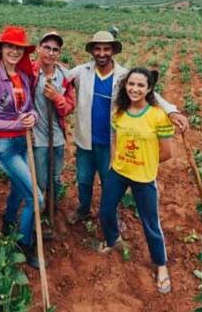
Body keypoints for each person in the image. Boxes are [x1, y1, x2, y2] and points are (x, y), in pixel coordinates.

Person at [67, 31, 188, 224]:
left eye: (106, 49)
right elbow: (59, 78)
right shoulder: (81, 72)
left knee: (110, 183)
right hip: (85, 139)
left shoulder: (124, 76)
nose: (102, 53)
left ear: (113, 51)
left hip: (113, 142)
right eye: (97, 49)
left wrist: (171, 111)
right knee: (83, 180)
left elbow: (151, 95)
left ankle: (111, 217)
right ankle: (83, 209)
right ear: (92, 51)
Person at [0, 25, 42, 268]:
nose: (14, 51)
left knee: (17, 190)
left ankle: (8, 223)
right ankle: (23, 244)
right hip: (5, 145)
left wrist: (32, 117)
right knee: (36, 199)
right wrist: (13, 124)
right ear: (1, 48)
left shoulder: (22, 77)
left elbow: (30, 108)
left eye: (19, 48)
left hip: (24, 142)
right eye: (10, 46)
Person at [99, 67, 174, 294]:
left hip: (144, 177)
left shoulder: (157, 115)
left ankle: (161, 266)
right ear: (125, 85)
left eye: (141, 85)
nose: (135, 89)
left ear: (149, 88)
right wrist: (115, 161)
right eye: (131, 84)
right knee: (105, 211)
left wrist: (145, 162)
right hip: (119, 172)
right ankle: (113, 240)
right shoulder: (119, 113)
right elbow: (115, 140)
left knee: (150, 223)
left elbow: (167, 152)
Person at [31, 32, 75, 226]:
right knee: (40, 179)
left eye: (55, 49)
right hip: (37, 137)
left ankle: (52, 207)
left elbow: (68, 107)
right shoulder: (29, 71)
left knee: (55, 178)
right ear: (39, 48)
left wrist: (57, 97)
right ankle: (38, 214)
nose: (50, 52)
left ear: (59, 53)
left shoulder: (65, 76)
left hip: (57, 136)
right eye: (47, 47)